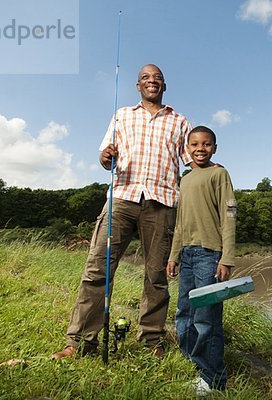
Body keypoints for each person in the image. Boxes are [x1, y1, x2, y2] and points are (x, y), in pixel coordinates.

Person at [52, 64, 192, 360]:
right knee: (96, 271)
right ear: (138, 86)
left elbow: (192, 158)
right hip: (122, 199)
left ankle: (152, 339)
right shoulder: (122, 116)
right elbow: (105, 156)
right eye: (145, 78)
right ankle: (79, 342)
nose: (151, 81)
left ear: (164, 86)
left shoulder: (179, 121)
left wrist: (212, 168)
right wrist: (105, 157)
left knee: (156, 276)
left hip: (162, 203)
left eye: (157, 78)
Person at [166, 126, 237, 395]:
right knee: (184, 314)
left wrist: (226, 257)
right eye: (195, 144)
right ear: (188, 148)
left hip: (210, 256)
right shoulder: (185, 179)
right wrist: (174, 256)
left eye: (206, 144)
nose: (200, 149)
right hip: (187, 255)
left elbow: (229, 217)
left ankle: (213, 378)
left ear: (215, 148)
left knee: (207, 319)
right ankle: (192, 365)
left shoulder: (219, 174)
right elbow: (180, 223)